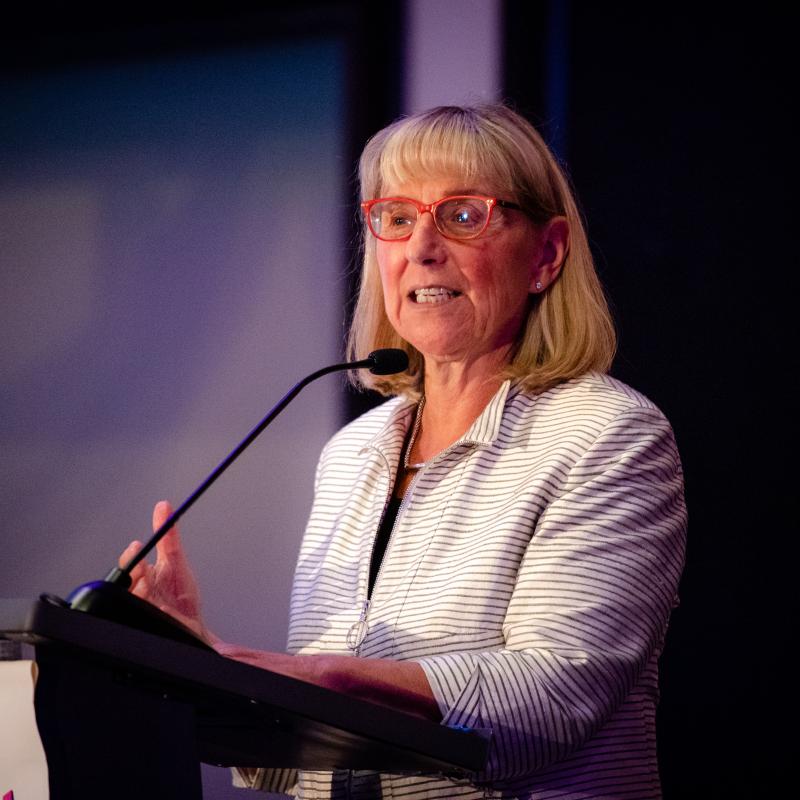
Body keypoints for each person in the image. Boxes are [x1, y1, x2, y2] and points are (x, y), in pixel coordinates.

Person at [121, 104, 687, 799]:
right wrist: (190, 672)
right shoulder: (354, 453)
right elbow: (310, 752)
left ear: (546, 254)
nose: (421, 246)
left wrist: (313, 674)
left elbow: (554, 693)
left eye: (462, 215)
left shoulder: (605, 434)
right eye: (397, 217)